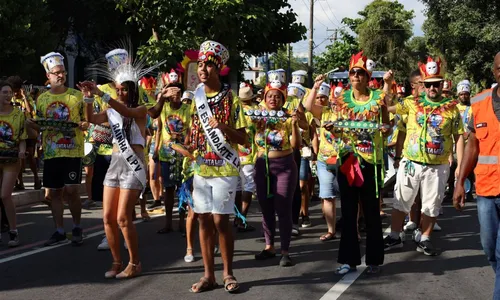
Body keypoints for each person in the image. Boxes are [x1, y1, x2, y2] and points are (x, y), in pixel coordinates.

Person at [78, 49, 159, 277]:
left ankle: (134, 263)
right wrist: (88, 98)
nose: (121, 93)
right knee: (107, 217)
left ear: (132, 91)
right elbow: (91, 119)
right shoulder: (111, 109)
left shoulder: (140, 110)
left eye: (125, 89)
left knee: (123, 217)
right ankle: (116, 262)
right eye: (118, 89)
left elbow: (126, 111)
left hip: (133, 166)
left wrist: (103, 95)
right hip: (115, 164)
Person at [385, 57, 464, 256]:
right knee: (401, 200)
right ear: (423, 85)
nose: (432, 88)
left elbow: (459, 137)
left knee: (432, 204)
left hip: (437, 166)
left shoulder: (452, 108)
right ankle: (395, 236)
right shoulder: (411, 103)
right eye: (428, 84)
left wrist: (460, 166)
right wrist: (387, 85)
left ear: (442, 84)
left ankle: (426, 238)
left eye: (436, 84)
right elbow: (387, 106)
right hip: (411, 162)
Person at [188, 40, 247, 293]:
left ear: (218, 68)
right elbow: (192, 133)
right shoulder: (196, 98)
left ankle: (227, 273)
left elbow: (244, 138)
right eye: (200, 65)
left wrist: (224, 128)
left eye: (207, 65)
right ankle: (208, 275)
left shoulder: (231, 99)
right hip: (201, 169)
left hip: (224, 168)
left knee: (221, 220)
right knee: (202, 220)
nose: (202, 69)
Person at [331, 51, 390, 275]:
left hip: (371, 162)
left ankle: (374, 261)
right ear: (349, 77)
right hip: (347, 160)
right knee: (347, 213)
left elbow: (386, 127)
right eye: (353, 73)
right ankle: (348, 260)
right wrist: (333, 129)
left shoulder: (379, 99)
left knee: (372, 213)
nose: (356, 77)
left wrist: (386, 129)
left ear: (367, 77)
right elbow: (336, 127)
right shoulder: (340, 100)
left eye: (361, 73)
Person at [27, 52, 87, 246]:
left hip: (73, 149)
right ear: (48, 76)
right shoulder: (42, 99)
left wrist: (85, 124)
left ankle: (77, 226)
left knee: (71, 189)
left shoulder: (76, 95)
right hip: (52, 151)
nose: (60, 75)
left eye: (62, 72)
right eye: (56, 73)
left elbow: (87, 120)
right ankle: (59, 230)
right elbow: (41, 126)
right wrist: (31, 124)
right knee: (54, 193)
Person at [454, 52, 500, 300]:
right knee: (489, 248)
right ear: (494, 72)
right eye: (499, 68)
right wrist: (460, 182)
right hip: (485, 189)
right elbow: (472, 145)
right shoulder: (479, 101)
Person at [251, 80, 300, 266]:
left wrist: (295, 124)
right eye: (270, 96)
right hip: (262, 164)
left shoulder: (288, 117)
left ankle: (285, 251)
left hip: (285, 164)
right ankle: (269, 246)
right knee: (266, 207)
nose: (273, 99)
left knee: (283, 208)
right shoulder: (257, 116)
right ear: (264, 98)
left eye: (277, 96)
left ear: (283, 99)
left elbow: (296, 145)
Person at [154, 74, 190, 233]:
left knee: (183, 189)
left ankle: (182, 222)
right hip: (166, 155)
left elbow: (191, 131)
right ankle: (168, 222)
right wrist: (155, 149)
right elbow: (159, 130)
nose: (174, 95)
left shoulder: (188, 109)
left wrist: (183, 139)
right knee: (168, 189)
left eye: (177, 92)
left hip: (183, 156)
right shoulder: (163, 108)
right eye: (171, 92)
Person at [304, 78, 339, 241]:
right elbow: (308, 107)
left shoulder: (348, 113)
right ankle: (331, 230)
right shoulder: (324, 113)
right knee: (327, 195)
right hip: (325, 160)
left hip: (345, 159)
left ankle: (354, 230)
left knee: (351, 197)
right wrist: (314, 87)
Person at [0, 81, 27, 247]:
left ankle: (13, 231)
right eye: (4, 92)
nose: (8, 95)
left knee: (4, 195)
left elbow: (22, 138)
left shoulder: (18, 114)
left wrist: (22, 151)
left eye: (10, 92)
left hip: (11, 159)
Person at [7, 76, 40, 190]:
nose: (15, 94)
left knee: (30, 156)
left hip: (29, 131)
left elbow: (30, 111)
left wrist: (25, 97)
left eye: (16, 91)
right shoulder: (10, 99)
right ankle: (20, 181)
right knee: (19, 158)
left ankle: (36, 177)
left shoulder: (28, 99)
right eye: (13, 91)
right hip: (16, 131)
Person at [234, 83, 258, 232]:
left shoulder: (234, 111)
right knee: (248, 186)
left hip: (234, 154)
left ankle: (237, 218)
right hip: (249, 153)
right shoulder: (255, 112)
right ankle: (242, 218)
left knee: (237, 187)